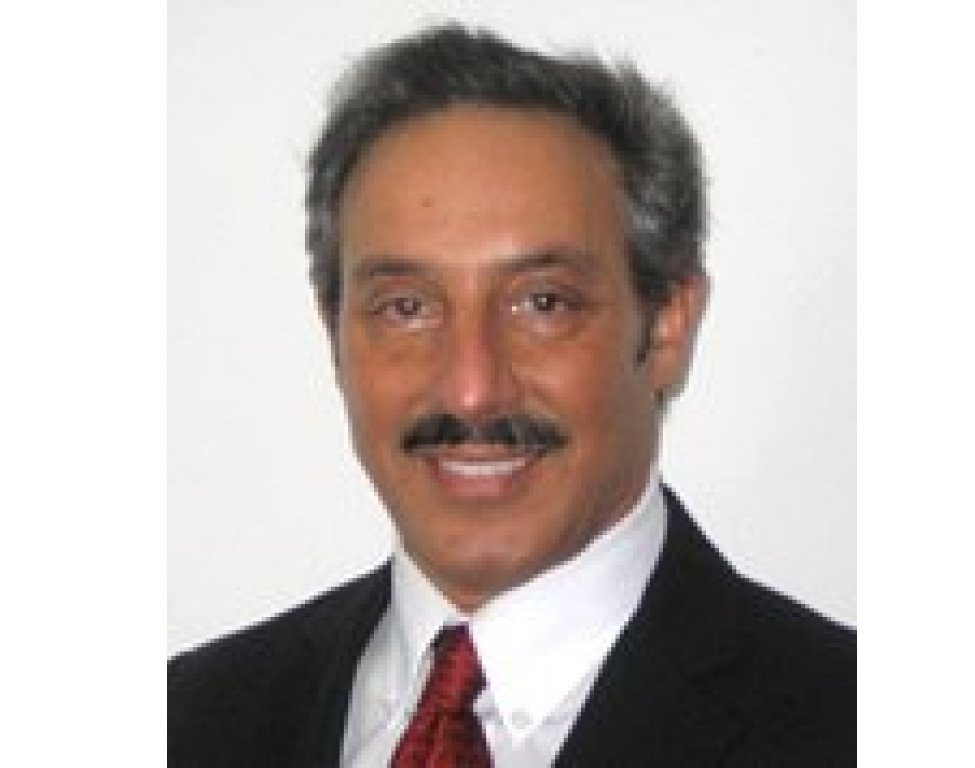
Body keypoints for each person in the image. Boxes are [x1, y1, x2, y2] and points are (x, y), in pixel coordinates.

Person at [168, 23, 855, 767]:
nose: (471, 389)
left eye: (543, 304)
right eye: (406, 307)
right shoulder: (185, 723)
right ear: (334, 332)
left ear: (666, 327)